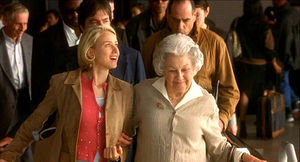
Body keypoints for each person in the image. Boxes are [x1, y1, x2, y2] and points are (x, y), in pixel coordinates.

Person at [0, 26, 134, 162]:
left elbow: (126, 137)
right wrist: (7, 157)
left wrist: (117, 155)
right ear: (90, 52)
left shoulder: (125, 90)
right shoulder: (62, 84)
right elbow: (33, 124)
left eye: (116, 44)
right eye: (108, 45)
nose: (116, 50)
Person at [131, 33, 265, 162]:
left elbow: (218, 148)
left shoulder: (206, 102)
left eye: (185, 70)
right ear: (162, 68)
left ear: (195, 67)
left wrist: (243, 158)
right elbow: (122, 128)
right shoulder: (143, 92)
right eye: (172, 70)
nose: (179, 77)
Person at [143, 0, 239, 132]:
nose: (180, 26)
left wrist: (221, 120)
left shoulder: (215, 43)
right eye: (175, 20)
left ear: (195, 16)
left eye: (186, 20)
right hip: (162, 123)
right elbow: (144, 83)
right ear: (167, 16)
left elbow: (230, 90)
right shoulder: (153, 43)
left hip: (202, 123)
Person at [233, 0, 282, 138]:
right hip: (260, 66)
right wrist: (274, 62)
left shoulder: (238, 23)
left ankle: (241, 123)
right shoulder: (263, 25)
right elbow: (269, 47)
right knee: (264, 94)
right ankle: (264, 125)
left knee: (245, 94)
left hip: (243, 64)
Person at [77, 0, 146, 85]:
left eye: (105, 21)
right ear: (82, 28)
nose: (101, 26)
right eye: (94, 22)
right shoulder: (66, 59)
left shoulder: (132, 58)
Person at [31, 0, 83, 108]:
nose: (76, 15)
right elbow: (39, 85)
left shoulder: (99, 33)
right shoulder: (43, 40)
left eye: (79, 9)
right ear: (61, 10)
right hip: (60, 112)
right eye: (70, 11)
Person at [0, 2, 33, 162]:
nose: (23, 28)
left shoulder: (30, 41)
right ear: (5, 21)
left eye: (25, 23)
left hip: (27, 106)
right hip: (3, 108)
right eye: (18, 24)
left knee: (27, 155)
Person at [272, 0, 300, 122]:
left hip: (286, 55)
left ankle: (288, 110)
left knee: (283, 82)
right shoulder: (293, 12)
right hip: (293, 54)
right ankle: (295, 100)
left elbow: (285, 38)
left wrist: (281, 60)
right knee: (286, 81)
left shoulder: (285, 15)